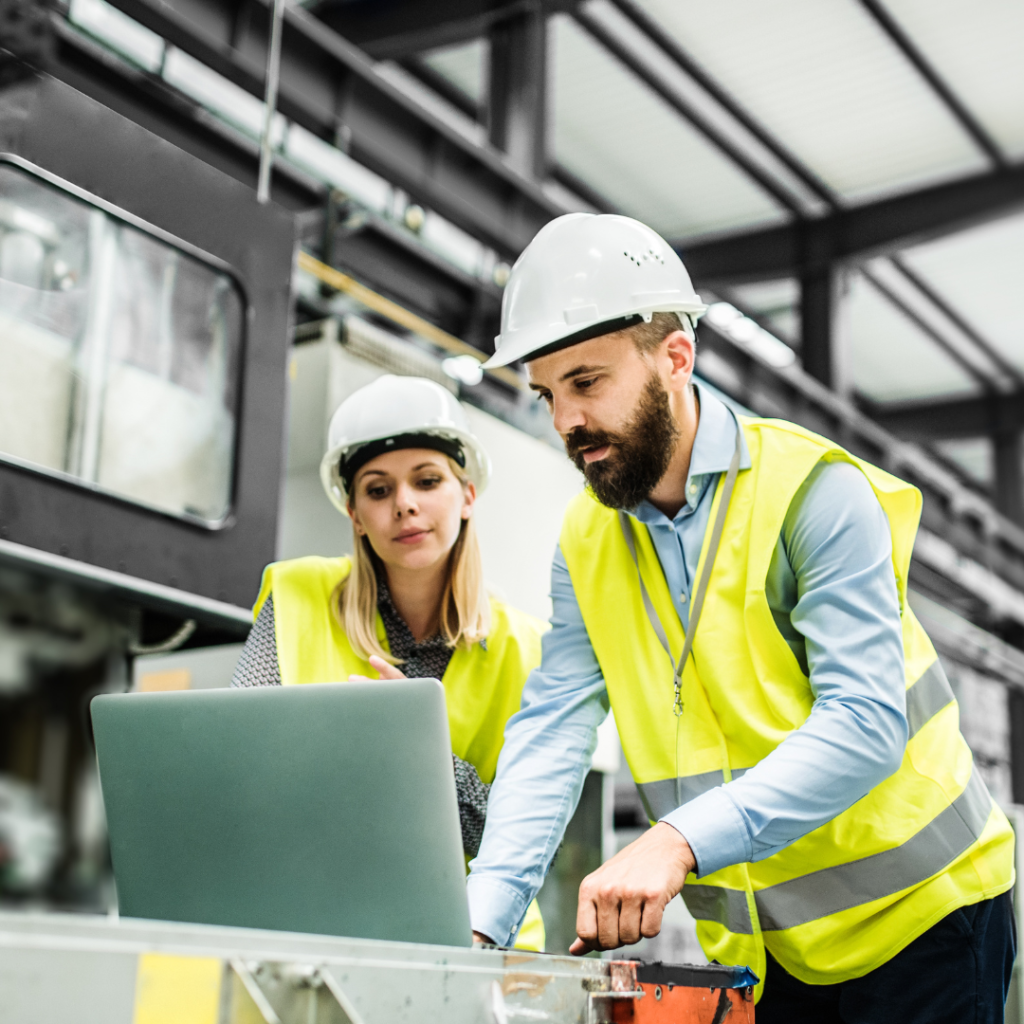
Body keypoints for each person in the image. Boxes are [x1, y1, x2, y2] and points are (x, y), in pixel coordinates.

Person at [467, 213, 1015, 1021]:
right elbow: (553, 728)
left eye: (587, 383)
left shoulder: (814, 494)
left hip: (928, 921)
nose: (564, 423)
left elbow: (865, 722)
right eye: (548, 394)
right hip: (775, 951)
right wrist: (483, 925)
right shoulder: (586, 542)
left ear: (675, 359)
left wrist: (677, 841)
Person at [231, 374, 546, 951]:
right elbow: (240, 767)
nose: (405, 504)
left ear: (467, 494)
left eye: (427, 481)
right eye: (378, 491)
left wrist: (413, 746)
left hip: (478, 940)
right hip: (319, 925)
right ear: (354, 514)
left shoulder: (527, 647)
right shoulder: (296, 596)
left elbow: (514, 834)